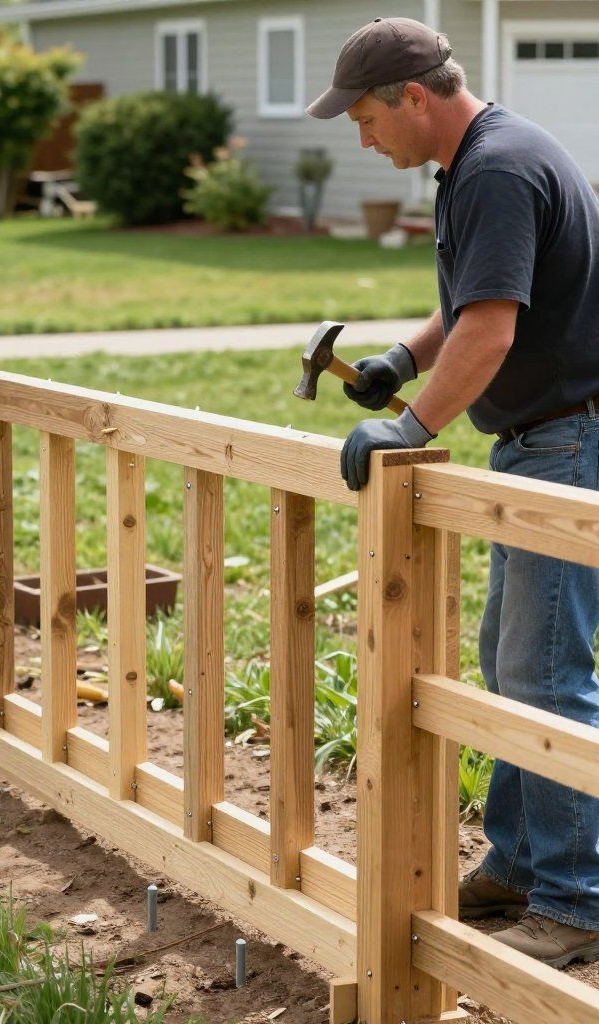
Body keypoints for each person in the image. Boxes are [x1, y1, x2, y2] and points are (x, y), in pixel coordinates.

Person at [309, 17, 599, 967]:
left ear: (415, 100)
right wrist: (402, 358)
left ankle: (578, 899)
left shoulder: (496, 169)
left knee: (546, 675)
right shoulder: (481, 158)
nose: (363, 138)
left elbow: (493, 330)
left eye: (364, 119)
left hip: (565, 439)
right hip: (542, 439)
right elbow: (470, 302)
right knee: (513, 661)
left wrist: (412, 426)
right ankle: (520, 864)